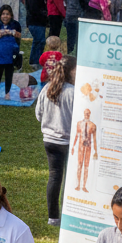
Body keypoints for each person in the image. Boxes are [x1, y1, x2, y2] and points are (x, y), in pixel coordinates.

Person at [35, 55, 76, 226]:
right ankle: (69, 214)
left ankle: (53, 217)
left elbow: (38, 114)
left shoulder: (46, 88)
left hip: (49, 141)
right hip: (67, 142)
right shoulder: (73, 93)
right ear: (71, 71)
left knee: (54, 176)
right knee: (69, 178)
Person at [0, 4, 22, 100]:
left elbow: (19, 36)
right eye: (3, 14)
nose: (5, 16)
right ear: (0, 15)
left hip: (10, 54)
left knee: (9, 74)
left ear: (11, 15)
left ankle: (7, 93)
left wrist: (11, 32)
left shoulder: (16, 24)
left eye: (7, 14)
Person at [71, 107, 97, 192]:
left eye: (88, 113)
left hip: (88, 147)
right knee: (79, 166)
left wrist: (96, 151)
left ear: (90, 114)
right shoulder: (79, 123)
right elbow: (77, 135)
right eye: (86, 113)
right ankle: (78, 184)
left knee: (86, 166)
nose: (87, 115)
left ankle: (84, 186)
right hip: (80, 147)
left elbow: (94, 139)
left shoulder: (93, 125)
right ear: (84, 114)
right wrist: (73, 146)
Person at [25, 0, 48, 65]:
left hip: (32, 22)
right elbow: (36, 11)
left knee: (37, 41)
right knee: (40, 41)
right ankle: (36, 61)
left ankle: (33, 60)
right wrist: (45, 16)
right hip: (37, 23)